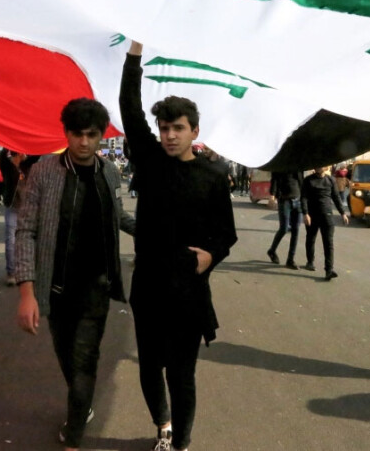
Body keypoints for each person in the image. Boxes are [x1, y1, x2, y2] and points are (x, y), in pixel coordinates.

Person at [121, 41, 237, 451]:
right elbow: (129, 107)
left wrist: (211, 256)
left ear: (194, 132)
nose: (169, 135)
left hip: (188, 289)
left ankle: (181, 443)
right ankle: (164, 427)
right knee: (150, 367)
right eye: (164, 128)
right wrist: (134, 54)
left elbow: (227, 233)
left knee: (182, 374)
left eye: (178, 128)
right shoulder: (150, 161)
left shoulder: (212, 175)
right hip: (148, 285)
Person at [15, 98, 135, 451]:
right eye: (77, 134)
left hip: (97, 287)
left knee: (84, 361)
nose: (84, 142)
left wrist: (159, 233)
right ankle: (82, 404)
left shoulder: (109, 172)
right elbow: (26, 230)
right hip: (56, 288)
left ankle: (74, 436)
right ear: (66, 133)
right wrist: (26, 293)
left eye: (91, 135)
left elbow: (118, 216)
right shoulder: (44, 172)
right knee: (67, 356)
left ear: (101, 136)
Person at [301, 166, 350, 280]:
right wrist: (305, 213)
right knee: (310, 239)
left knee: (328, 243)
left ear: (326, 167)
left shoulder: (330, 180)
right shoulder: (308, 180)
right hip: (312, 215)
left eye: (321, 165)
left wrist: (343, 213)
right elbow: (304, 198)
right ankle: (310, 262)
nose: (319, 167)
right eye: (317, 165)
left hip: (327, 215)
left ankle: (329, 270)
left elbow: (336, 197)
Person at [0, 148, 27, 286]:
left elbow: (37, 154)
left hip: (28, 209)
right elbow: (2, 156)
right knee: (11, 241)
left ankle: (26, 272)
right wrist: (9, 143)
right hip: (13, 207)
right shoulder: (8, 166)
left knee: (27, 241)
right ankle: (11, 273)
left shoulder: (28, 166)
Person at [267, 171, 304, 270]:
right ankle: (272, 251)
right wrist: (272, 195)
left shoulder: (298, 166)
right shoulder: (280, 165)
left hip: (298, 200)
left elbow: (301, 181)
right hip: (284, 200)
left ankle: (290, 260)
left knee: (296, 230)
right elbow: (274, 179)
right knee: (284, 228)